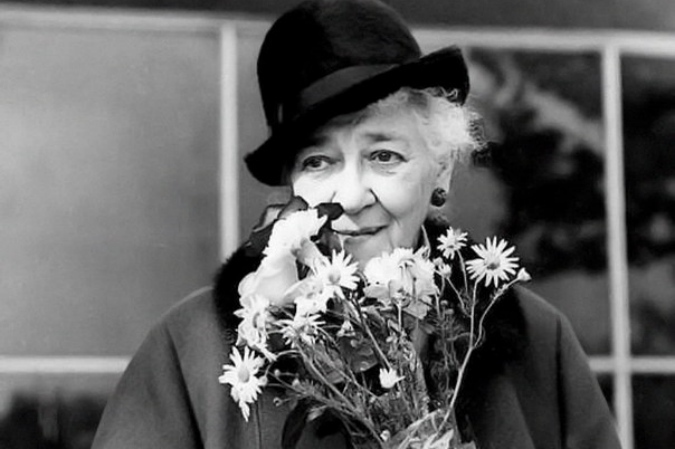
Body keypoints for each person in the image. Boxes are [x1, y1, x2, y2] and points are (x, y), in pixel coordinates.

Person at [92, 0, 622, 448]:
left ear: (440, 168)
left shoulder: (538, 341)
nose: (348, 197)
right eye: (317, 162)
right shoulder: (190, 350)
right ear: (291, 185)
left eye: (384, 156)